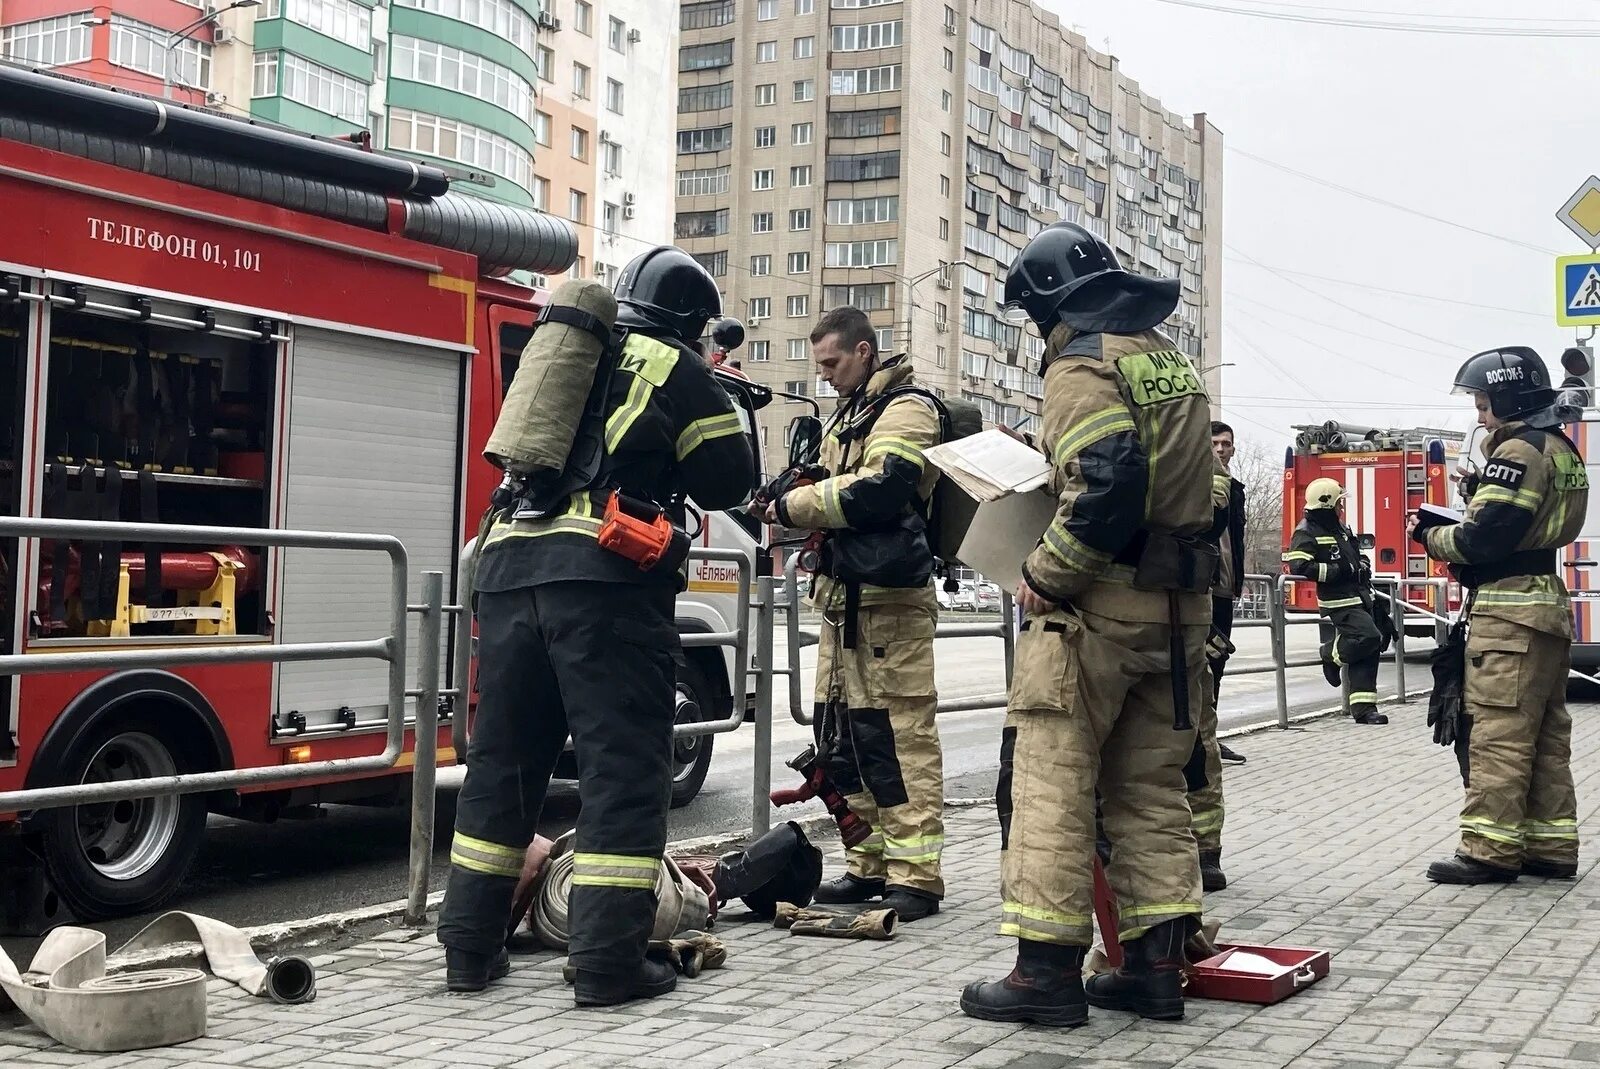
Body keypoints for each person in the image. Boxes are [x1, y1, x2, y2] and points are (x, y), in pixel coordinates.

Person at [437, 246, 756, 1003]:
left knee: (503, 770)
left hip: (509, 571)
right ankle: (611, 962)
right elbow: (731, 480)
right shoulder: (674, 366)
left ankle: (468, 952)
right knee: (622, 769)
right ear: (691, 321)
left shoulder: (573, 355)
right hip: (603, 583)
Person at [960, 221, 1219, 1027]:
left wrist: (1044, 571)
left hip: (1096, 613)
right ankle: (1152, 969)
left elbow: (1107, 482)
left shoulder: (1082, 364)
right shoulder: (1168, 360)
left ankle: (1043, 975)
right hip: (1176, 610)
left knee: (1051, 783)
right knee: (1149, 789)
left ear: (1048, 306)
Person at [759, 306, 946, 922]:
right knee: (843, 741)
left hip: (891, 608)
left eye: (833, 363)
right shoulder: (852, 412)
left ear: (865, 352)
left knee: (897, 740)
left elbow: (884, 488)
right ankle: (867, 864)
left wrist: (794, 506)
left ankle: (916, 876)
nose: (826, 377)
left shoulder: (909, 410)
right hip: (845, 607)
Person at [1410, 346, 1587, 884]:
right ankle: (1551, 848)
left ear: (1510, 396)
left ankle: (1489, 850)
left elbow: (1483, 538)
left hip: (1508, 614)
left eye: (1484, 403)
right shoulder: (1560, 448)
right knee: (1547, 734)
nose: (1480, 415)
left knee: (1499, 734)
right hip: (1547, 606)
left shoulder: (1518, 453)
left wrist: (1430, 535)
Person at [1187, 421, 1246, 893]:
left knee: (1195, 741)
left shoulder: (1206, 476)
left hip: (1188, 614)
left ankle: (1206, 852)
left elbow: (1215, 532)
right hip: (1169, 617)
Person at [1283, 479, 1389, 725]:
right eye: (1339, 502)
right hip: (1338, 600)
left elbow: (1354, 556)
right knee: (1368, 637)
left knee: (1372, 646)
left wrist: (1362, 564)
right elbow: (1300, 565)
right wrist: (1337, 570)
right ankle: (1330, 654)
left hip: (1361, 595)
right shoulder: (1306, 531)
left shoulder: (1339, 528)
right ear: (1328, 503)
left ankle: (1364, 708)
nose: (1342, 507)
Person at [1208, 423, 1248, 766]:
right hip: (1199, 590)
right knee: (1199, 665)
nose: (1221, 449)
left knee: (1217, 664)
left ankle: (1210, 738)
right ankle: (1197, 742)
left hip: (1223, 589)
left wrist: (1237, 581)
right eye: (1215, 443)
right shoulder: (1196, 482)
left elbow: (1235, 540)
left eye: (1227, 444)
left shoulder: (1234, 488)